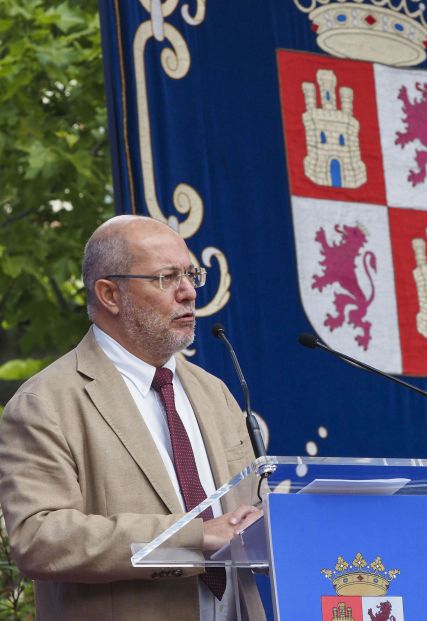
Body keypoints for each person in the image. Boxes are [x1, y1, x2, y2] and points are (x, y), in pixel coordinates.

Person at [0, 215, 267, 621]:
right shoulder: (45, 402)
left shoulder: (215, 392)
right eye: (166, 277)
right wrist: (194, 537)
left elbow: (246, 513)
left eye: (191, 274)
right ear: (109, 294)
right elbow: (39, 539)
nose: (189, 292)